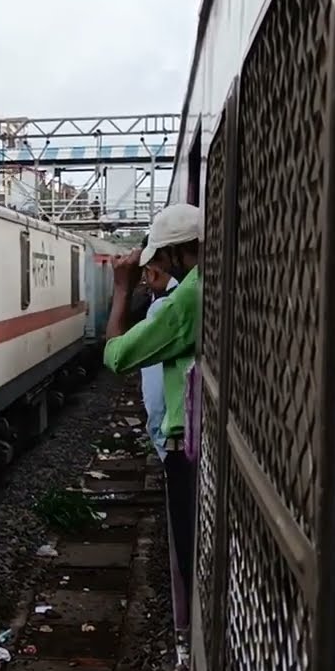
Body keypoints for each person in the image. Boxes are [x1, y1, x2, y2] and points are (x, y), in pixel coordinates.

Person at [102, 203, 201, 596]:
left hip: (186, 450)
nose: (158, 267)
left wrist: (122, 289)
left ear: (177, 252)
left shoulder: (186, 297)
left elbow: (117, 356)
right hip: (198, 442)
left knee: (190, 557)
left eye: (160, 257)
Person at [140, 261, 178, 462]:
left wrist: (159, 440)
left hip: (175, 443)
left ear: (152, 272)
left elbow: (155, 397)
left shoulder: (163, 307)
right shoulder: (191, 292)